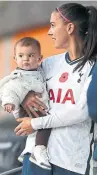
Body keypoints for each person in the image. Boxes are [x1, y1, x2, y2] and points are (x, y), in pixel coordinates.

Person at [15, 3, 97, 175]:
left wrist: (35, 123)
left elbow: (82, 112)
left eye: (53, 25)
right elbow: (12, 87)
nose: (49, 32)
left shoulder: (93, 67)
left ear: (69, 28)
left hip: (71, 164)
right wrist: (24, 96)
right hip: (35, 160)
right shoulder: (48, 64)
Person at [0, 37, 52, 169]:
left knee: (37, 131)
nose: (25, 59)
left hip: (37, 108)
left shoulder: (39, 72)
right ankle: (39, 150)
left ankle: (26, 153)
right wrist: (9, 102)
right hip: (26, 111)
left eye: (30, 55)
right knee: (45, 125)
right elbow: (10, 89)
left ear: (39, 59)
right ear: (15, 59)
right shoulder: (19, 76)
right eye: (21, 56)